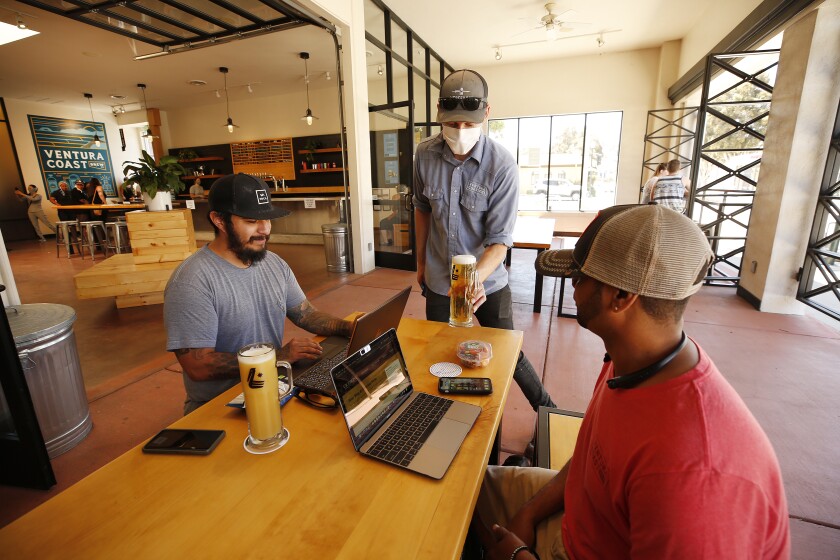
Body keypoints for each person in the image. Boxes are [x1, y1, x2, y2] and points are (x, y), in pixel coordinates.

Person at [473, 204, 790, 559]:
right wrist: (528, 513)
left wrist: (518, 556)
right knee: (455, 484)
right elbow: (591, 461)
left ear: (622, 297)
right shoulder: (630, 360)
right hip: (581, 518)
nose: (573, 288)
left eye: (579, 278)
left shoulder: (694, 477)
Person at [413, 69, 555, 414]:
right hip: (439, 278)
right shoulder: (424, 154)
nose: (460, 130)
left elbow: (500, 241)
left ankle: (549, 412)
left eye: (469, 123)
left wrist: (474, 279)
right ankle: (439, 416)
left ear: (486, 113)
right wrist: (420, 263)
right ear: (439, 112)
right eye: (452, 123)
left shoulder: (501, 165)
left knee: (508, 352)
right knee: (439, 353)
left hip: (487, 282)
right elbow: (422, 209)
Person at [164, 173, 356, 415]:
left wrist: (349, 328)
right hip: (221, 406)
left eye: (267, 219)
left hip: (274, 387)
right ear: (219, 220)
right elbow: (198, 366)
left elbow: (305, 314)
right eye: (251, 221)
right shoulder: (192, 281)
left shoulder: (273, 263)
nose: (264, 230)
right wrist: (278, 356)